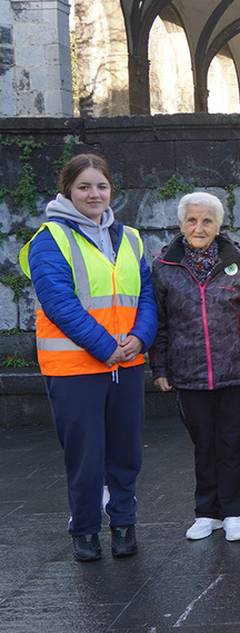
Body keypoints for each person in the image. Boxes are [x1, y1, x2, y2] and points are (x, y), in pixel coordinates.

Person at [18, 153, 156, 562]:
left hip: (127, 363)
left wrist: (141, 337)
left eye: (101, 186)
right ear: (68, 191)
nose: (94, 194)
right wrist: (105, 346)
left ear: (111, 189)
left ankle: (124, 524)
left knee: (127, 452)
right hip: (76, 369)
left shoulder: (129, 237)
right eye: (84, 187)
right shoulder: (49, 239)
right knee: (86, 455)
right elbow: (60, 304)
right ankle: (84, 529)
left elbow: (145, 294)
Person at [150, 192, 240, 543]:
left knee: (231, 444)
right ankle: (206, 512)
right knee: (203, 445)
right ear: (181, 225)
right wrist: (160, 367)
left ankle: (233, 512)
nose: (199, 227)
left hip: (235, 370)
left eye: (207, 220)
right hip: (189, 372)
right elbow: (159, 322)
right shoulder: (165, 267)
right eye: (192, 221)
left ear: (218, 224)